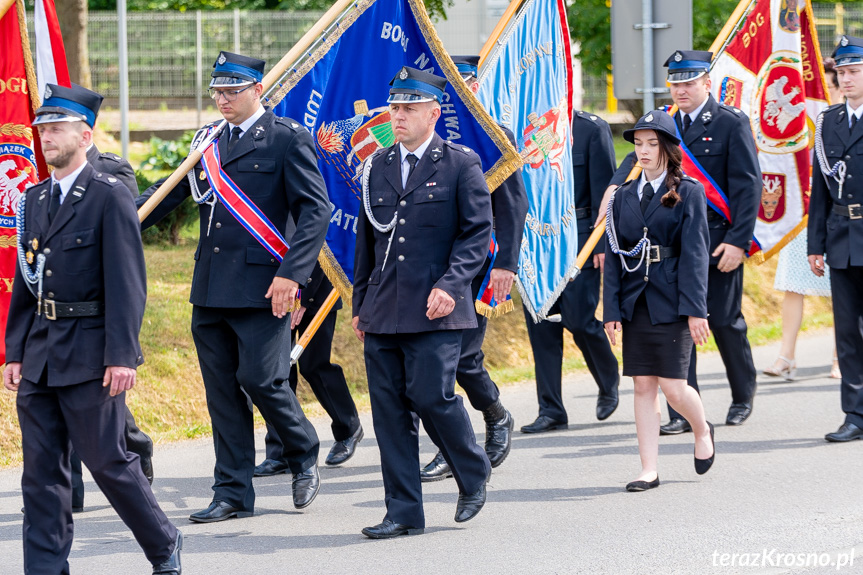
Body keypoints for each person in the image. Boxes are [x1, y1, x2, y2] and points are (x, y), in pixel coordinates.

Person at [137, 51, 330, 521]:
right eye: (216, 92)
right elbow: (167, 194)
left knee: (261, 378)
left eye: (232, 91)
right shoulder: (208, 143)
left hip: (266, 287)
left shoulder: (287, 140)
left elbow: (315, 212)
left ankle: (302, 450)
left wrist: (292, 274)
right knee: (221, 391)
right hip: (210, 288)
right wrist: (116, 217)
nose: (222, 99)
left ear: (257, 90)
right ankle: (232, 492)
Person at [4, 83, 181, 575]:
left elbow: (129, 282)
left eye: (56, 128)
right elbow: (26, 280)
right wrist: (14, 350)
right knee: (40, 473)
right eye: (41, 129)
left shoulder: (108, 195)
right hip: (40, 353)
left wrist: (123, 354)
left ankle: (163, 543)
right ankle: (44, 568)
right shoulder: (34, 199)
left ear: (85, 134)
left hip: (90, 353)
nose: (45, 137)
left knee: (107, 462)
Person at [352, 67, 493, 538]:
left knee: (433, 395)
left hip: (437, 308)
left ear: (434, 112)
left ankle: (472, 472)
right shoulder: (377, 166)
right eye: (394, 107)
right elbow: (366, 242)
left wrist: (452, 286)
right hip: (383, 308)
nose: (399, 116)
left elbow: (477, 234)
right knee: (389, 412)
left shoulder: (459, 163)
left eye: (409, 108)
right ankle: (403, 511)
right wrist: (359, 303)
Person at [419, 55, 527, 481]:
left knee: (461, 359)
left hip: (478, 263)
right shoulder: (423, 139)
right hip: (428, 264)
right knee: (430, 362)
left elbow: (513, 203)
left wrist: (506, 263)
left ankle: (494, 416)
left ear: (477, 84)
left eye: (466, 81)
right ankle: (455, 441)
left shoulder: (494, 135)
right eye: (452, 84)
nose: (461, 91)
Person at [603, 111, 714, 492]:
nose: (644, 151)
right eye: (638, 144)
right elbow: (614, 256)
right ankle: (648, 468)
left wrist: (696, 309)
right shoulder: (620, 197)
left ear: (667, 148)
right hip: (636, 303)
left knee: (673, 388)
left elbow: (696, 255)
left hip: (673, 300)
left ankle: (701, 428)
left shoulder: (689, 191)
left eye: (652, 144)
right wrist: (611, 310)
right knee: (642, 386)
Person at [659, 50, 762, 434]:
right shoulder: (664, 124)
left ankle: (742, 394)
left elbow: (748, 187)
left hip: (719, 241)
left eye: (689, 82)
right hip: (674, 243)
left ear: (707, 82)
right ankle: (685, 409)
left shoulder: (730, 123)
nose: (681, 89)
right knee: (676, 323)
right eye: (676, 82)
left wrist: (738, 242)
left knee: (722, 320)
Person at [519, 108, 621, 434]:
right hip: (533, 240)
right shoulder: (523, 127)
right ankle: (551, 409)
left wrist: (602, 245)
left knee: (579, 319)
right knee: (541, 325)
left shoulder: (591, 128)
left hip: (578, 238)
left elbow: (607, 192)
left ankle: (608, 380)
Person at [69, 143, 155, 512]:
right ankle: (66, 492)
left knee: (101, 397)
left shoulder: (111, 169)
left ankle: (136, 446)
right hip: (56, 302)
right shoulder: (43, 169)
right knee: (58, 399)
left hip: (98, 300)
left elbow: (126, 232)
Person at [764, 58, 842, 381]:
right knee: (792, 286)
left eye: (825, 86)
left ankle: (841, 358)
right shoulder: (803, 120)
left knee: (843, 291)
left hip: (838, 216)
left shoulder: (844, 121)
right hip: (800, 213)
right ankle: (786, 355)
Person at [254, 262, 363, 475]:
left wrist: (304, 295)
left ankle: (348, 427)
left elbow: (322, 244)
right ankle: (281, 451)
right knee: (277, 373)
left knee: (314, 365)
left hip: (317, 291)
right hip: (275, 290)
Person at [808, 36, 863, 443]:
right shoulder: (827, 122)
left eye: (853, 71)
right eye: (841, 72)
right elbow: (820, 189)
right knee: (847, 333)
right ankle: (855, 415)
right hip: (842, 236)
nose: (845, 79)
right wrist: (815, 245)